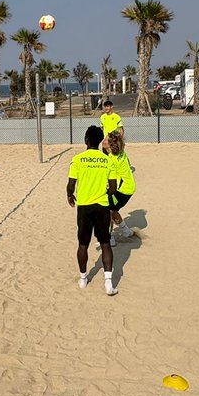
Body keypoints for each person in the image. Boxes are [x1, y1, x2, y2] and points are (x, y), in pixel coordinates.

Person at [67, 125, 119, 295]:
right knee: (105, 244)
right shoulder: (108, 160)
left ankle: (83, 278)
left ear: (86, 141)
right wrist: (104, 192)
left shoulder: (78, 159)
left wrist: (70, 195)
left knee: (83, 244)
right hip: (102, 206)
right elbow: (113, 187)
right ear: (99, 142)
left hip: (84, 206)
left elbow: (71, 184)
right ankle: (108, 284)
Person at [106, 130, 137, 241]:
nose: (103, 140)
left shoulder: (111, 159)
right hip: (130, 186)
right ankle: (126, 231)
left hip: (123, 190)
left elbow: (111, 182)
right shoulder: (122, 152)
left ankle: (109, 239)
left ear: (110, 144)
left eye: (106, 139)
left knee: (107, 210)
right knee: (113, 209)